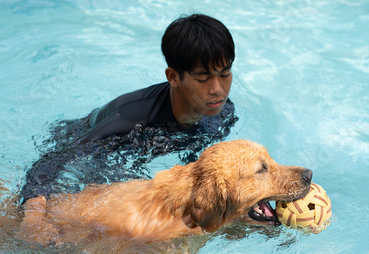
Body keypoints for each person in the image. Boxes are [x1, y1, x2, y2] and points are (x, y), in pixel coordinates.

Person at [20, 14, 238, 202]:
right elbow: (51, 163)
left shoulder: (222, 114)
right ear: (173, 77)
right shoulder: (130, 121)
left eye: (225, 74)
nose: (218, 89)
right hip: (85, 143)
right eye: (203, 79)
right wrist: (33, 215)